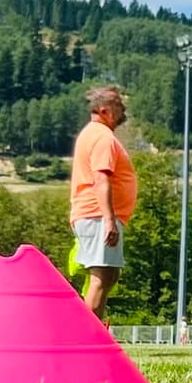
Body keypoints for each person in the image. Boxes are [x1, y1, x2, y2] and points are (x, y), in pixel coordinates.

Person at [69, 86, 137, 319]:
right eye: (119, 106)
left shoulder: (94, 134)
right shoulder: (101, 137)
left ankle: (90, 332)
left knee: (109, 275)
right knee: (102, 276)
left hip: (96, 214)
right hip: (97, 214)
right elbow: (101, 178)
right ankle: (85, 337)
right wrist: (109, 220)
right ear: (104, 110)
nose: (123, 112)